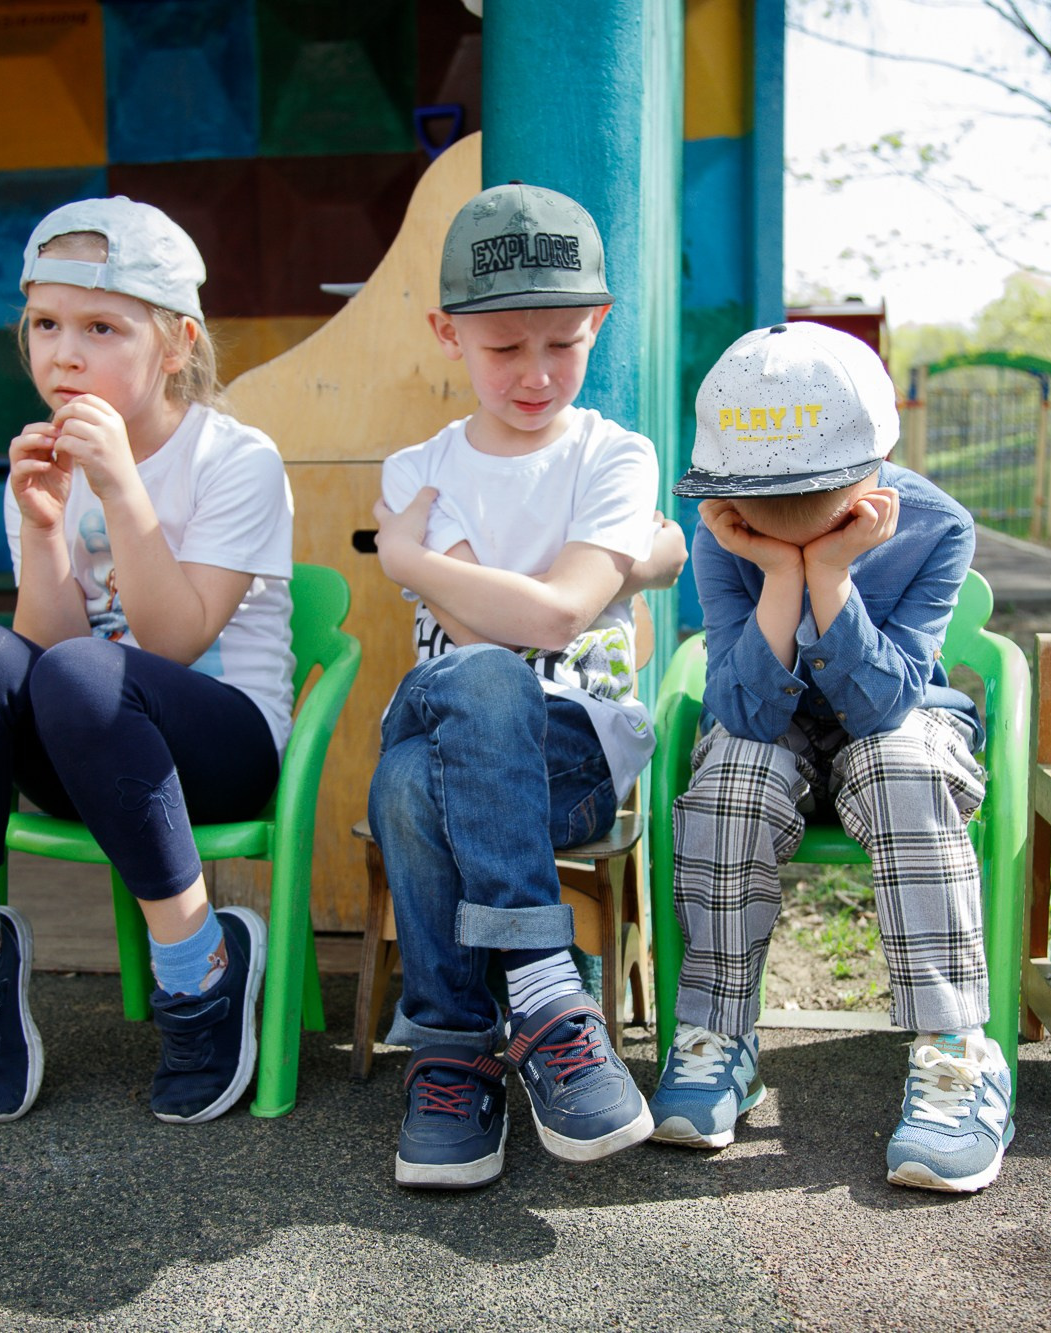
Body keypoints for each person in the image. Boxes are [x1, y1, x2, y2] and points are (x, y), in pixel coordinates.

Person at [0, 197, 295, 1126]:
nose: (63, 353)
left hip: (222, 743)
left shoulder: (235, 459)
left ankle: (200, 970)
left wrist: (120, 486)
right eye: (45, 324)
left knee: (87, 673)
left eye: (100, 327)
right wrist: (43, 530)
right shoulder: (44, 458)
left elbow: (173, 643)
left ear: (175, 342)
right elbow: (35, 656)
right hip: (91, 741)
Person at [368, 182, 688, 1190]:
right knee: (476, 679)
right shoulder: (420, 465)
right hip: (456, 704)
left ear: (596, 323)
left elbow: (550, 620)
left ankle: (455, 1051)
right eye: (504, 348)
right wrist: (603, 574)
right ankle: (550, 996)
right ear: (445, 333)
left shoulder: (614, 457)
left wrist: (407, 560)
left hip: (572, 751)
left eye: (562, 342)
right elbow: (482, 634)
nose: (536, 374)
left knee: (407, 789)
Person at [647, 321, 1012, 1193]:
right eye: (775, 519)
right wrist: (777, 573)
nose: (790, 532)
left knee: (901, 763)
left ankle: (958, 1052)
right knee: (732, 773)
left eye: (817, 510)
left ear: (874, 470)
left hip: (898, 736)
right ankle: (717, 1039)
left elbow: (888, 703)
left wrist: (833, 576)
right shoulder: (728, 527)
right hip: (775, 742)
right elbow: (737, 706)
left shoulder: (935, 530)